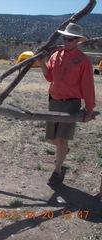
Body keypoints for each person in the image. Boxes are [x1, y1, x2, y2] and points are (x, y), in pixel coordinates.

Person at [39, 23, 96, 187]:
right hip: (54, 100)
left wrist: (89, 108)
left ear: (77, 40)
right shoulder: (56, 55)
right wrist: (43, 63)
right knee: (51, 138)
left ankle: (57, 171)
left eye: (70, 39)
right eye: (65, 38)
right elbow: (49, 77)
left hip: (71, 104)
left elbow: (87, 86)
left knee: (62, 140)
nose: (66, 41)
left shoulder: (83, 61)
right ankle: (63, 151)